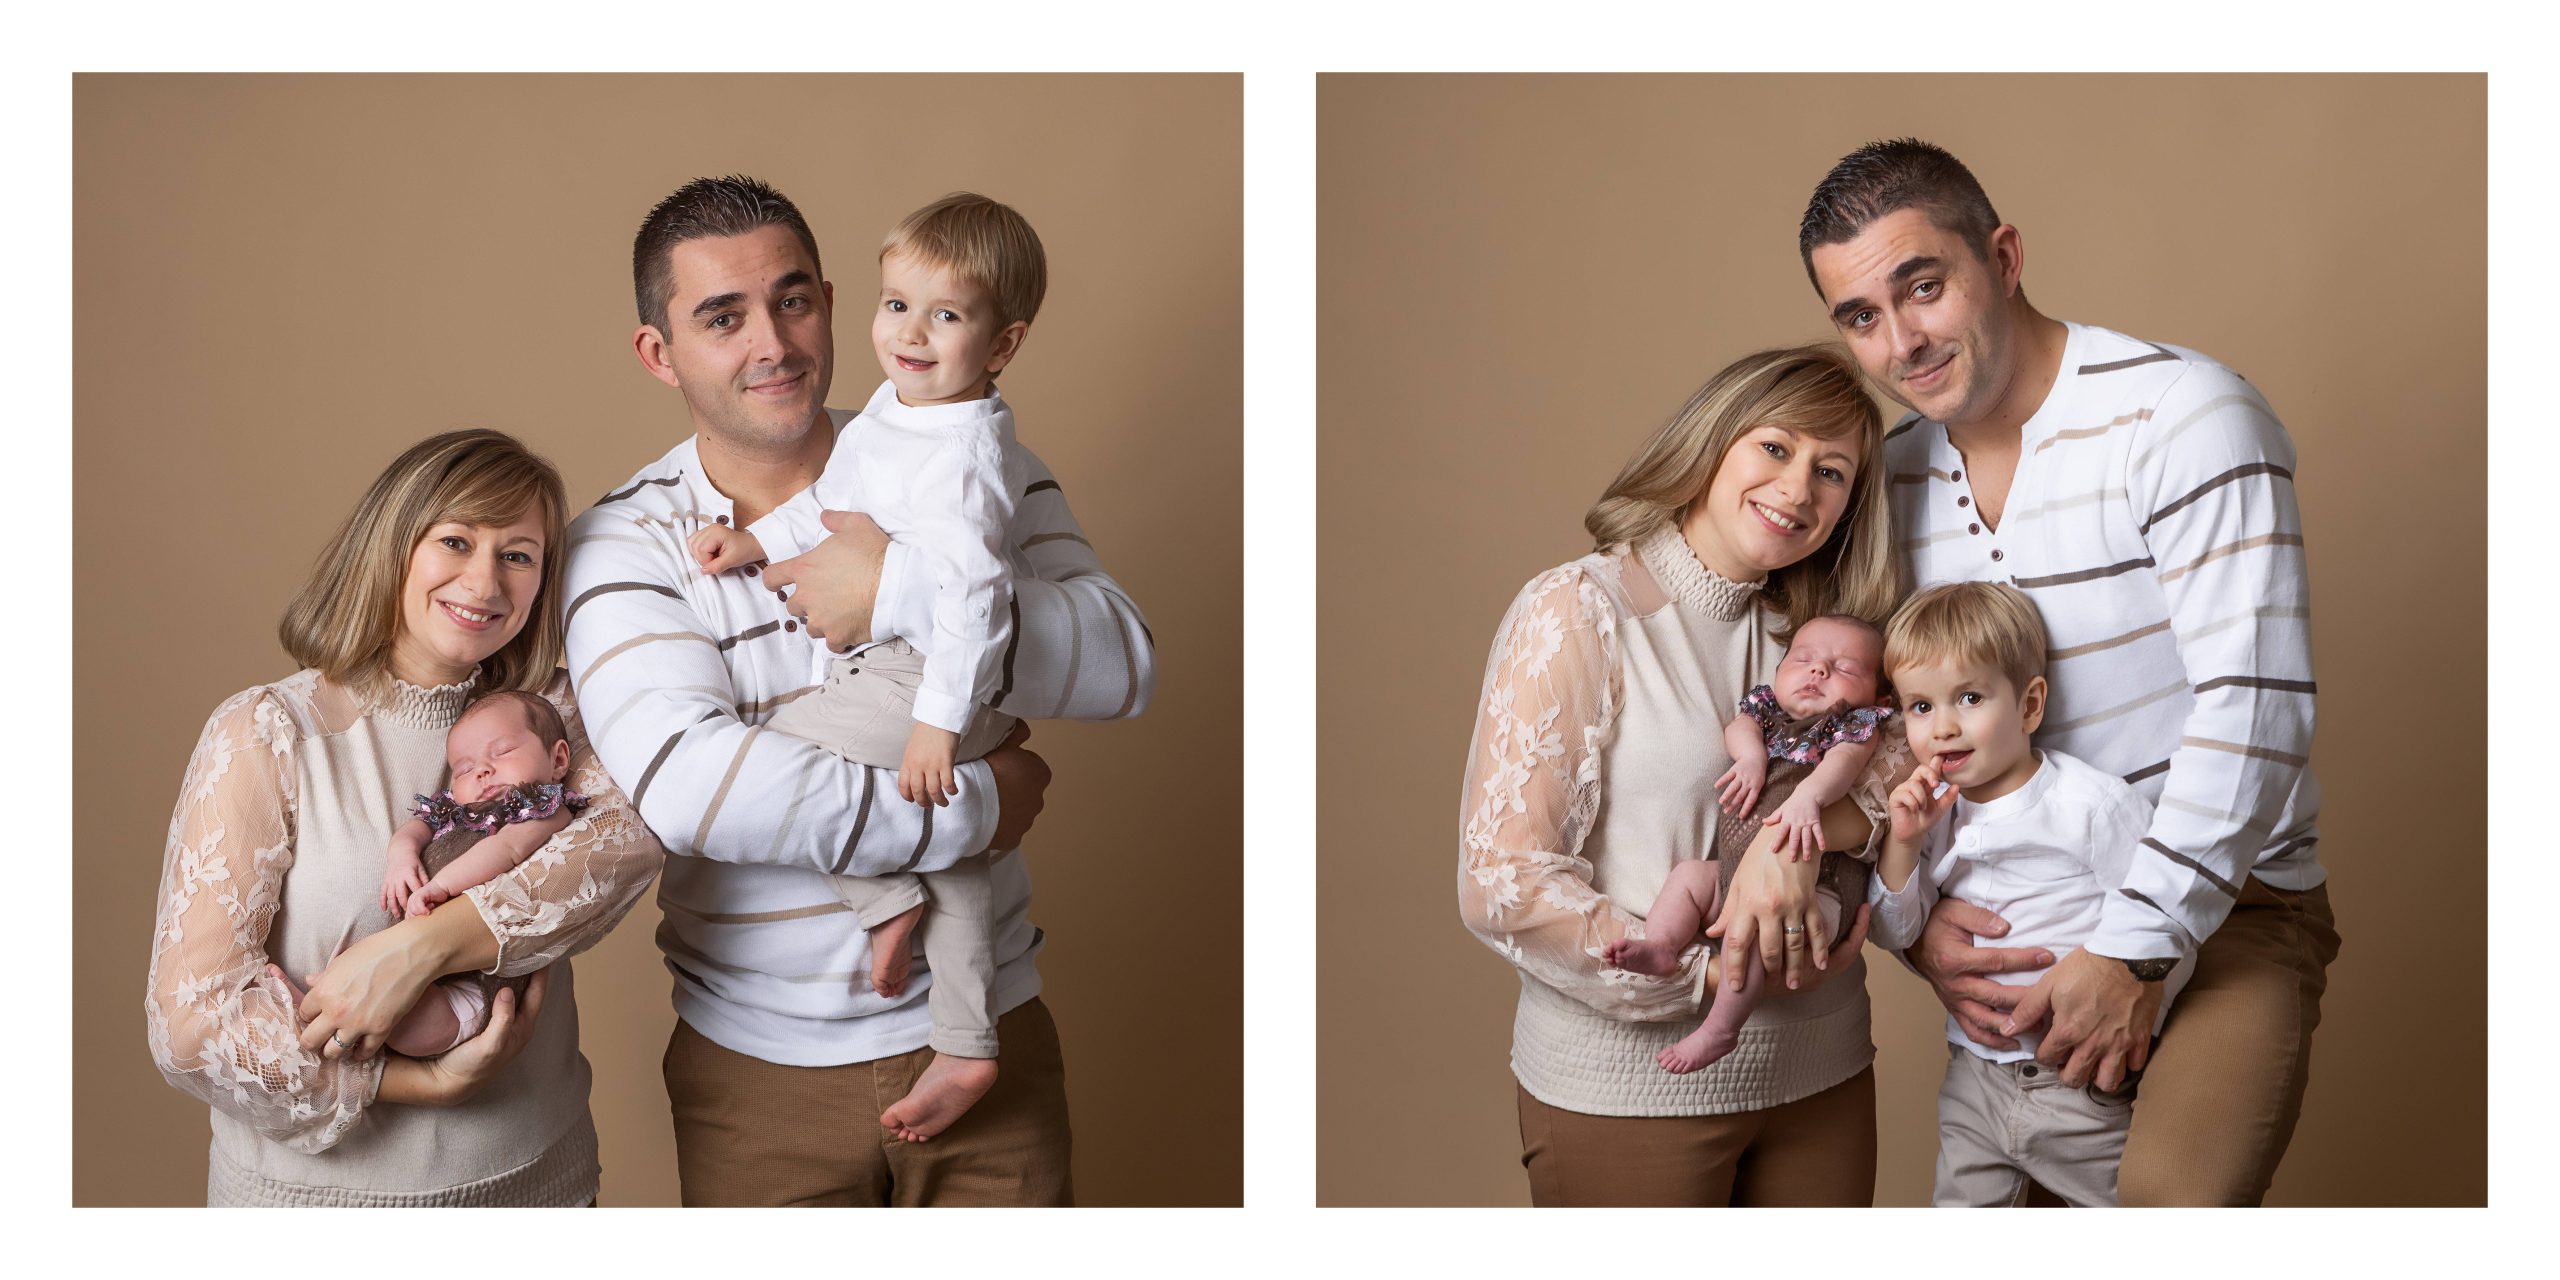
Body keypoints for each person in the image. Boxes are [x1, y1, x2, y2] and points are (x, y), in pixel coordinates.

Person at [568, 175, 1154, 1206]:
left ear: (832, 303)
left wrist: (896, 588)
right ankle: (897, 904)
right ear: (659, 354)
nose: (775, 343)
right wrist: (972, 804)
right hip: (761, 1077)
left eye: (793, 299)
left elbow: (1123, 661)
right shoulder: (626, 542)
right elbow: (697, 790)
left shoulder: (966, 451)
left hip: (996, 1046)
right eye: (723, 316)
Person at [1800, 138, 2338, 1205]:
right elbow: (1874, 719)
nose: (1900, 340)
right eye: (1860, 315)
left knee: (2161, 1211)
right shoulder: (1893, 476)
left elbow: (2255, 707)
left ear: (2001, 257)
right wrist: (1919, 938)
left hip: (2227, 906)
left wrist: (2133, 952)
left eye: (1922, 285)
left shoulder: (2184, 414)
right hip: (2018, 910)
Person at [145, 430, 664, 1206]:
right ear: (393, 547)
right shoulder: (268, 732)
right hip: (320, 1211)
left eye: (518, 555)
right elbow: (192, 1030)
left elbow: (626, 848)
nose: (485, 581)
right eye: (456, 540)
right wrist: (421, 1082)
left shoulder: (568, 716)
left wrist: (418, 949)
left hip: (541, 1187)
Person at [1457, 344, 1905, 1207]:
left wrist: (1795, 845)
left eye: (1833, 472)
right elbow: (1501, 884)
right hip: (1632, 1092)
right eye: (1775, 448)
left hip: (1826, 1072)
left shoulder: (1832, 641)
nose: (1798, 489)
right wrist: (1720, 975)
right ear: (1713, 442)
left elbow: (1895, 786)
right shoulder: (1578, 610)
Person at [685, 193, 1057, 1142]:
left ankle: (887, 897)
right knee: (957, 843)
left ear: (1002, 343)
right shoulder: (896, 412)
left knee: (773, 755)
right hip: (902, 674)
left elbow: (977, 602)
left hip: (929, 681)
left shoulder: (967, 453)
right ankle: (967, 1042)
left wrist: (938, 722)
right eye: (898, 305)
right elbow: (838, 508)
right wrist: (755, 543)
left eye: (948, 315)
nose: (913, 334)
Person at [1870, 581, 2193, 1206]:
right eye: (1919, 707)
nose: (1943, 727)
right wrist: (1904, 846)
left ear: (2029, 704)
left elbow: (2165, 920)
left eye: (1968, 697)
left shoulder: (2090, 807)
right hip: (1976, 1080)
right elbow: (1897, 933)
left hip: (2082, 1087)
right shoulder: (1932, 816)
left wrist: (2138, 1035)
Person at [1602, 613, 1910, 1074]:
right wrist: (1750, 756)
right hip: (1731, 871)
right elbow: (1738, 726)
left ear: (1878, 696)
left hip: (1818, 887)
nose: (1818, 671)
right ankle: (1663, 945)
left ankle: (1722, 1027)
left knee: (1757, 931)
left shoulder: (1854, 725)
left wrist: (1810, 797)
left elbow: (1844, 764)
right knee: (1689, 878)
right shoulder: (1766, 714)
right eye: (1803, 659)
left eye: (1843, 668)